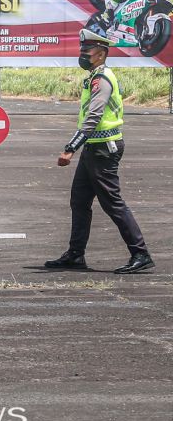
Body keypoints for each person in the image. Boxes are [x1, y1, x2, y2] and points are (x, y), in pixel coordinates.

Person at [45, 29, 154, 274]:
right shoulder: (95, 75)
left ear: (102, 54)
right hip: (94, 149)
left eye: (87, 51)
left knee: (113, 203)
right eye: (82, 50)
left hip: (104, 149)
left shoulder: (102, 78)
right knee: (79, 201)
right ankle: (75, 254)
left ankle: (140, 253)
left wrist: (70, 148)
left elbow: (93, 116)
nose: (83, 55)